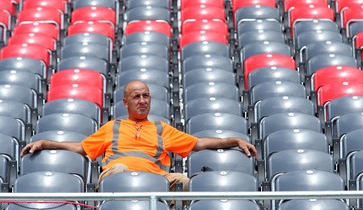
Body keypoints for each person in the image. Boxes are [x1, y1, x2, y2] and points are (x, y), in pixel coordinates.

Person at [20, 80, 258, 192]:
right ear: (126, 102)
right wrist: (46, 142)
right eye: (137, 96)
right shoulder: (112, 127)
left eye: (146, 95)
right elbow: (81, 148)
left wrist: (234, 140)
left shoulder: (161, 128)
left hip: (156, 180)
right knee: (121, 169)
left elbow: (199, 143)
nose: (143, 100)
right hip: (119, 178)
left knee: (185, 182)